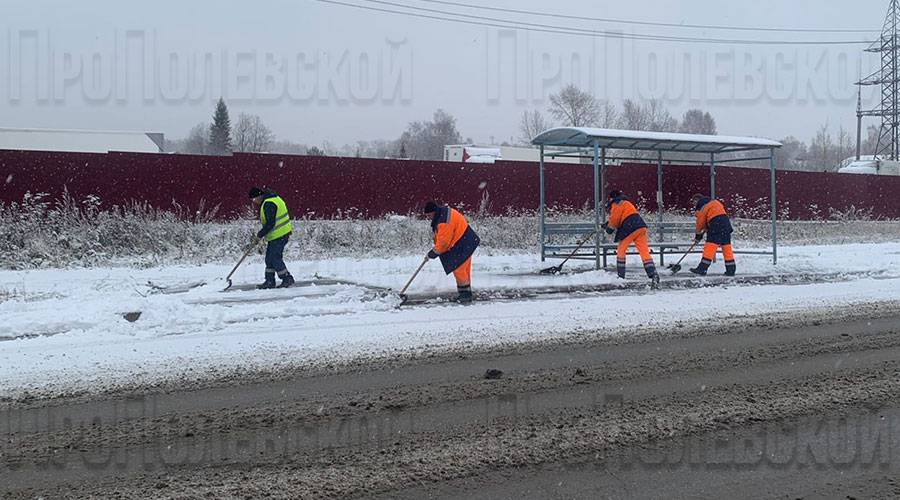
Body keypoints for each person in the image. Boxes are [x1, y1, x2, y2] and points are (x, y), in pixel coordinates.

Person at [424, 201, 480, 303]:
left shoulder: (443, 222)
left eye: (428, 215)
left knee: (459, 268)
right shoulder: (443, 213)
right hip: (466, 240)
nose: (428, 217)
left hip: (462, 242)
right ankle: (466, 292)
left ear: (433, 212)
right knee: (464, 269)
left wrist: (433, 253)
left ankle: (465, 295)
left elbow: (444, 243)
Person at [601, 190, 659, 286]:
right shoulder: (626, 202)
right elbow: (622, 217)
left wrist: (609, 230)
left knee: (621, 249)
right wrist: (608, 224)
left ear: (612, 197)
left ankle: (621, 276)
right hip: (641, 226)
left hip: (630, 228)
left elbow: (615, 220)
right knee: (644, 252)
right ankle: (653, 274)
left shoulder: (616, 203)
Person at [249, 187, 295, 289]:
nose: (254, 202)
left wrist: (259, 235)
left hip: (280, 235)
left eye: (253, 199)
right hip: (277, 235)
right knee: (269, 258)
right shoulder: (273, 199)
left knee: (275, 258)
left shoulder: (269, 203)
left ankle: (287, 278)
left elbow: (270, 223)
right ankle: (269, 281)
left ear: (258, 196)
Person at [690, 194, 735, 276]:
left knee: (710, 247)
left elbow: (700, 224)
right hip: (726, 224)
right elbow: (717, 213)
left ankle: (702, 269)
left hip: (715, 225)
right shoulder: (714, 202)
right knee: (726, 247)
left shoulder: (701, 206)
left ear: (697, 200)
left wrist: (698, 236)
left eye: (694, 202)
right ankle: (731, 269)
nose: (694, 205)